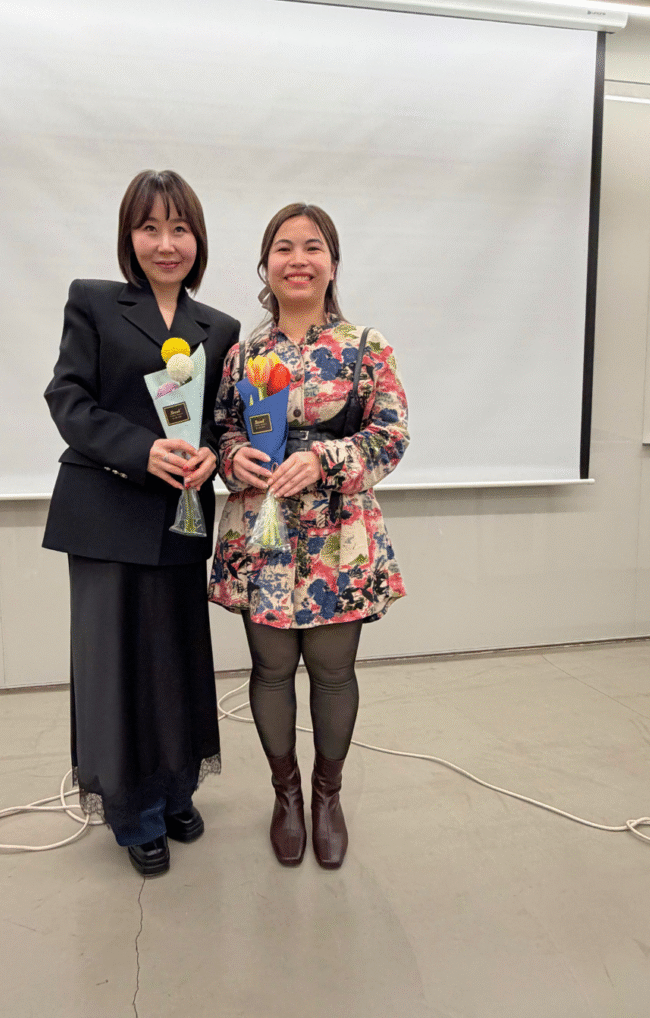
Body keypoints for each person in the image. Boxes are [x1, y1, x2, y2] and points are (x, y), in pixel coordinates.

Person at [43, 170, 240, 876]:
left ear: (198, 239)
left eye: (179, 228)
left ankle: (175, 788)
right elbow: (67, 398)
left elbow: (222, 420)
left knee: (177, 661)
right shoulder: (94, 303)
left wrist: (212, 454)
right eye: (150, 228)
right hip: (104, 511)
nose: (166, 243)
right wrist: (141, 449)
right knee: (115, 668)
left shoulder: (219, 327)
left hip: (181, 515)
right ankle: (131, 813)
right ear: (130, 236)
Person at [209, 203, 409, 869]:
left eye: (313, 246)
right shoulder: (242, 353)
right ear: (265, 265)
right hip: (261, 535)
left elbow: (389, 437)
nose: (298, 258)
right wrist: (233, 455)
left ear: (331, 263)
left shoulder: (365, 348)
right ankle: (285, 794)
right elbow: (220, 426)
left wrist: (323, 459)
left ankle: (327, 796)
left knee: (330, 671)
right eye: (283, 247)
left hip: (336, 540)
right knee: (269, 669)